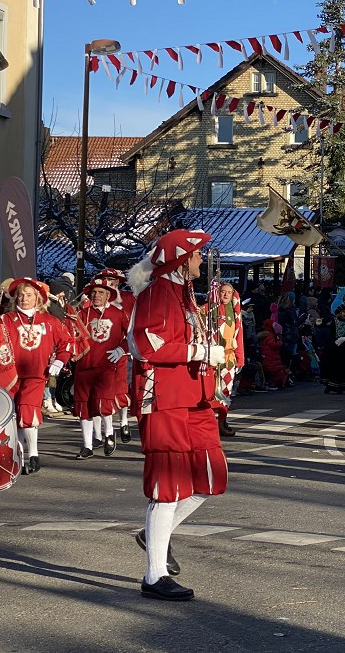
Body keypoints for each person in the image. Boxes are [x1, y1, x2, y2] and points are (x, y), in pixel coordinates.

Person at [126, 229, 226, 601]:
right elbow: (145, 344)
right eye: (198, 255)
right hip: (165, 399)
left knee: (208, 477)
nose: (202, 260)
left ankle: (152, 535)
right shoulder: (156, 293)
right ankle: (154, 575)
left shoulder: (183, 293)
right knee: (167, 486)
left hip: (193, 397)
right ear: (183, 260)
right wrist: (199, 351)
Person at [0, 278, 72, 474]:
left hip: (36, 375)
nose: (24, 298)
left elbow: (66, 343)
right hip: (9, 375)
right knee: (11, 414)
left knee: (27, 409)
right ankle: (16, 454)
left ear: (38, 298)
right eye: (21, 295)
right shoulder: (6, 320)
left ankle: (33, 455)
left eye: (29, 295)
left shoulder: (50, 321)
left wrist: (60, 361)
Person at [73, 277, 128, 459]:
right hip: (84, 365)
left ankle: (109, 433)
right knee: (84, 406)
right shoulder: (82, 314)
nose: (96, 295)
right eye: (94, 292)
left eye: (101, 293)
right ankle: (87, 445)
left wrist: (122, 349)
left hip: (106, 365)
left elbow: (131, 335)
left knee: (103, 402)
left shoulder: (118, 313)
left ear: (108, 296)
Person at [98, 268, 135, 443]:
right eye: (105, 279)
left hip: (124, 349)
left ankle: (124, 422)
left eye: (112, 280)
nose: (109, 282)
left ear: (118, 282)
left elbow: (135, 323)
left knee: (122, 388)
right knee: (104, 391)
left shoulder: (128, 299)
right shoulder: (95, 298)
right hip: (101, 350)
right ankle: (106, 430)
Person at [207, 282, 244, 436]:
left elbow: (239, 335)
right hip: (212, 358)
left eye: (229, 292)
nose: (226, 295)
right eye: (223, 292)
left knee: (225, 393)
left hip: (228, 359)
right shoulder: (209, 309)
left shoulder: (235, 313)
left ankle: (222, 422)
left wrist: (240, 358)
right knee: (210, 393)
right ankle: (209, 425)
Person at [324, 304, 345, 394]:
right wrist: (334, 341)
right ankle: (330, 386)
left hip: (343, 347)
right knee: (332, 367)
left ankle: (341, 387)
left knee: (342, 368)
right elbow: (330, 333)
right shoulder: (334, 321)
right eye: (344, 312)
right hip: (333, 347)